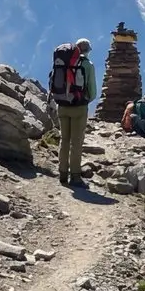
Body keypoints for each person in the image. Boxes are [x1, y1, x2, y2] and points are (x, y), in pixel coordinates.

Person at [51, 37, 98, 187]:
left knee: (64, 139)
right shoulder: (87, 65)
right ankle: (75, 176)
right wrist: (84, 100)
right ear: (88, 50)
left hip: (61, 105)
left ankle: (62, 174)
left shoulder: (62, 62)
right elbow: (92, 91)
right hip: (79, 107)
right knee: (76, 142)